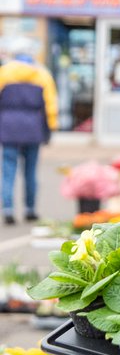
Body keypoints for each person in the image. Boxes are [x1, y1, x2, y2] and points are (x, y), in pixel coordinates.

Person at [0, 38, 59, 225]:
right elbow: (51, 105)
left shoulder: (4, 73)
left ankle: (8, 208)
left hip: (8, 128)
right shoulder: (42, 75)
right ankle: (30, 209)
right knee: (31, 171)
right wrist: (51, 128)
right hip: (33, 129)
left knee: (8, 171)